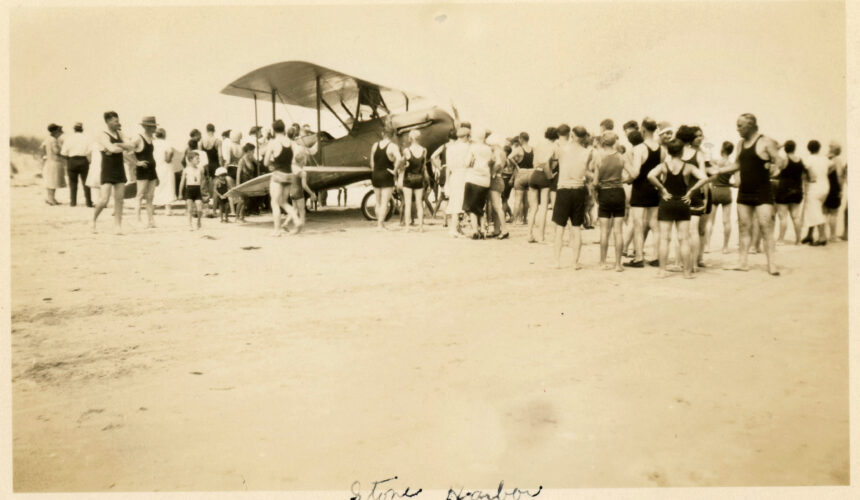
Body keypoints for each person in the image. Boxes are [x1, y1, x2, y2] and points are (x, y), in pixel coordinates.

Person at [710, 113, 782, 275]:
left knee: (766, 227)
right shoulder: (740, 144)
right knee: (743, 227)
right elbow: (737, 164)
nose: (737, 129)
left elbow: (780, 161)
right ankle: (742, 262)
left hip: (763, 191)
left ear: (751, 125)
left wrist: (773, 170)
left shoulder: (765, 142)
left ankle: (772, 264)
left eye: (740, 126)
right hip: (745, 192)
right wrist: (719, 170)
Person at [647, 138, 709, 279]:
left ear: (668, 151)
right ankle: (686, 272)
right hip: (683, 202)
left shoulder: (664, 165)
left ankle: (662, 271)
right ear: (682, 152)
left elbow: (650, 175)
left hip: (667, 202)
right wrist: (691, 192)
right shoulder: (688, 167)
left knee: (664, 238)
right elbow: (704, 178)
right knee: (684, 239)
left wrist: (662, 189)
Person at [552, 125, 592, 269]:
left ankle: (557, 261)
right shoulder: (587, 152)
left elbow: (549, 162)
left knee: (560, 228)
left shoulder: (561, 149)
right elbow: (588, 172)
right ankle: (575, 262)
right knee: (576, 228)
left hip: (563, 189)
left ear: (572, 135)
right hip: (578, 189)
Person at [625, 118, 663, 267]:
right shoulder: (661, 148)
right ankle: (656, 256)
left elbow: (635, 173)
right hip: (653, 188)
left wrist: (625, 164)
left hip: (640, 188)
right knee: (654, 224)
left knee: (638, 223)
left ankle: (639, 257)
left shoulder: (640, 148)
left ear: (643, 129)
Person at [92, 111, 136, 234]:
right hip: (107, 168)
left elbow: (131, 146)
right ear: (108, 122)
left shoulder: (120, 133)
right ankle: (93, 220)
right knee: (104, 199)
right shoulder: (102, 135)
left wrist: (118, 144)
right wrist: (121, 147)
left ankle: (117, 226)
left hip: (119, 168)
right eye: (115, 121)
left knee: (119, 199)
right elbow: (112, 149)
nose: (118, 123)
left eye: (118, 120)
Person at [592, 131, 629, 271]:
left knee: (604, 231)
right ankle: (618, 264)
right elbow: (634, 173)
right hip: (619, 192)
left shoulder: (599, 158)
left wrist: (598, 186)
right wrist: (622, 181)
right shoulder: (621, 157)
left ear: (602, 142)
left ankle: (603, 262)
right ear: (614, 142)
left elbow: (595, 182)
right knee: (618, 231)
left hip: (605, 193)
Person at [677, 125, 709, 272]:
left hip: (680, 194)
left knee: (681, 232)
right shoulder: (699, 155)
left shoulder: (675, 154)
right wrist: (705, 197)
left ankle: (680, 263)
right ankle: (694, 264)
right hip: (695, 193)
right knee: (694, 231)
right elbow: (704, 178)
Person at [264, 120, 301, 236]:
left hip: (278, 174)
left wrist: (271, 164)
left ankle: (277, 230)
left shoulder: (273, 143)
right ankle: (296, 219)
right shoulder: (291, 143)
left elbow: (265, 162)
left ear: (273, 130)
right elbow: (296, 159)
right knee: (283, 202)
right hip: (289, 174)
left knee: (274, 202)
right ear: (284, 129)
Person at [527, 127, 558, 243]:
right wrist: (551, 176)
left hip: (535, 174)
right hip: (544, 176)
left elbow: (535, 162)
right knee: (544, 208)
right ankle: (541, 236)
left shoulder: (539, 144)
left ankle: (529, 234)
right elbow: (549, 164)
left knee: (533, 208)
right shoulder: (554, 146)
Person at [462, 128, 494, 239]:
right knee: (480, 207)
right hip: (485, 180)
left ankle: (475, 230)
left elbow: (466, 163)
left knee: (471, 207)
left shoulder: (473, 148)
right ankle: (483, 230)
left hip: (473, 178)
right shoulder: (489, 149)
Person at [773, 140, 806, 244]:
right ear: (794, 148)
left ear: (785, 149)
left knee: (783, 217)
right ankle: (798, 240)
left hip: (784, 190)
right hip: (797, 190)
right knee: (796, 216)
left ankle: (781, 239)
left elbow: (775, 173)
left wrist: (778, 147)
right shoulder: (800, 160)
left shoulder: (784, 160)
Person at [130, 116, 160, 228]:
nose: (154, 129)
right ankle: (137, 220)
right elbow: (128, 151)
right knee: (139, 195)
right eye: (152, 127)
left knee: (150, 196)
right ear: (146, 127)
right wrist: (136, 162)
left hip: (152, 170)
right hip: (142, 170)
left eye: (154, 126)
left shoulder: (151, 139)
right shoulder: (138, 138)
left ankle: (151, 220)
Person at [707, 141, 737, 253]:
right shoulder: (732, 165)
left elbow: (709, 163)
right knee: (726, 221)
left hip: (714, 190)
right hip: (726, 192)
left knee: (710, 221)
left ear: (722, 149)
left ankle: (707, 246)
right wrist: (728, 184)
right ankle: (725, 247)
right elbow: (737, 183)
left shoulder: (716, 163)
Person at [369, 126, 401, 231]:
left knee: (377, 202)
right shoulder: (392, 146)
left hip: (376, 174)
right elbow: (399, 159)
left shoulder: (375, 145)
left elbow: (372, 162)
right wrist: (395, 170)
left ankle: (379, 224)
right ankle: (380, 225)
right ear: (392, 135)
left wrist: (375, 170)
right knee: (384, 202)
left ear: (383, 134)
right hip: (387, 174)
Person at [801, 140, 831, 246]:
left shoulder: (808, 159)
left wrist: (810, 178)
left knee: (815, 211)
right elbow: (831, 168)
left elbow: (806, 171)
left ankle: (822, 237)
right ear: (819, 148)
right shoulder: (825, 158)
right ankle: (810, 235)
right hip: (825, 185)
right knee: (814, 210)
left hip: (814, 186)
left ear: (808, 149)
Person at [444, 128, 472, 237]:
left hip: (454, 175)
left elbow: (448, 166)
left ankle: (456, 228)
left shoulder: (450, 148)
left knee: (455, 201)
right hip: (464, 175)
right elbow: (468, 163)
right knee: (461, 202)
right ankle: (454, 229)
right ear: (466, 137)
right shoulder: (468, 148)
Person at [401, 129, 429, 232]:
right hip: (419, 179)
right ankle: (421, 227)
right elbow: (423, 167)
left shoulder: (406, 151)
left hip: (408, 178)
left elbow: (403, 165)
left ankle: (407, 227)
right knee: (419, 203)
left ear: (411, 138)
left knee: (408, 203)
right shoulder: (424, 150)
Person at [60, 122, 92, 207]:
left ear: (74, 129)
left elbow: (63, 152)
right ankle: (88, 203)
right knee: (86, 182)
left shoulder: (69, 138)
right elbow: (90, 150)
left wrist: (69, 159)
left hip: (72, 161)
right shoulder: (87, 138)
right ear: (82, 129)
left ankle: (73, 203)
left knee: (73, 183)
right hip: (83, 160)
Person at [430, 128, 457, 225]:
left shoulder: (444, 146)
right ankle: (456, 221)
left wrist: (440, 167)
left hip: (444, 171)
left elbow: (432, 157)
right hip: (455, 171)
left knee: (444, 196)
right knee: (456, 196)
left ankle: (445, 221)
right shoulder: (458, 146)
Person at [509, 132, 533, 225]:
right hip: (531, 173)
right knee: (526, 199)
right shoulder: (533, 149)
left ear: (521, 139)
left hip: (521, 173)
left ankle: (514, 220)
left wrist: (516, 165)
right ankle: (525, 219)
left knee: (518, 198)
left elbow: (509, 157)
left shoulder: (519, 149)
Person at [152, 128, 177, 216]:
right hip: (166, 167)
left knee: (155, 187)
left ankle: (152, 208)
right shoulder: (167, 143)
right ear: (164, 135)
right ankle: (168, 209)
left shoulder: (152, 143)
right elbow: (168, 158)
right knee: (168, 186)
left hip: (155, 167)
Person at [40, 123, 66, 205]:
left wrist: (45, 156)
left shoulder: (47, 139)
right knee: (53, 181)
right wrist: (63, 152)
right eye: (59, 132)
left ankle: (50, 198)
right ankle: (51, 199)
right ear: (55, 132)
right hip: (54, 162)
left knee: (50, 181)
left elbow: (42, 148)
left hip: (49, 162)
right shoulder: (53, 140)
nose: (60, 134)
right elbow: (57, 151)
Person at [178, 150, 204, 230]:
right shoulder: (186, 170)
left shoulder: (200, 169)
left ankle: (199, 221)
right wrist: (180, 193)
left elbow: (202, 180)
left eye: (199, 158)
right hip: (189, 189)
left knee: (199, 208)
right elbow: (182, 182)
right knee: (189, 209)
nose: (198, 160)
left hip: (197, 190)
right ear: (190, 160)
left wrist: (203, 191)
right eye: (197, 158)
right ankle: (190, 224)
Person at [824, 141, 844, 242]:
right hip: (833, 187)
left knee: (824, 212)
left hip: (824, 186)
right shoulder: (837, 160)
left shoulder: (825, 158)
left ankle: (822, 235)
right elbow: (839, 175)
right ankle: (832, 236)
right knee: (833, 213)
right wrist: (841, 189)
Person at [234, 143, 258, 222]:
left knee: (246, 200)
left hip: (249, 181)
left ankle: (242, 216)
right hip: (243, 181)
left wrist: (254, 158)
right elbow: (238, 173)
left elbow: (258, 165)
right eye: (252, 151)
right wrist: (238, 185)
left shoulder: (251, 159)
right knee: (242, 200)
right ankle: (237, 217)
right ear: (249, 151)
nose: (253, 153)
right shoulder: (242, 160)